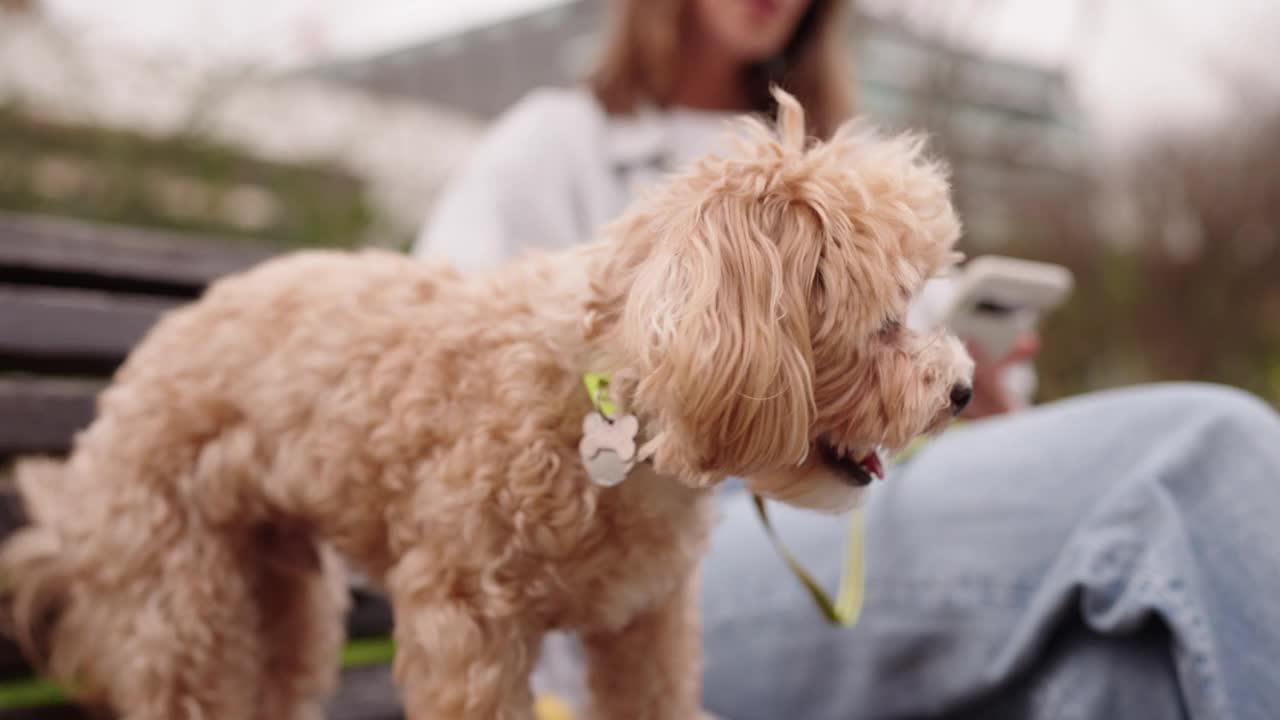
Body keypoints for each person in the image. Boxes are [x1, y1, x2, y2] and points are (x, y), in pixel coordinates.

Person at [414, 1, 1280, 718]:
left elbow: (919, 379)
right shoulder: (555, 140)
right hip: (653, 561)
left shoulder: (851, 175)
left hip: (867, 501)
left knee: (1121, 677)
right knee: (1205, 453)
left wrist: (979, 397)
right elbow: (449, 381)